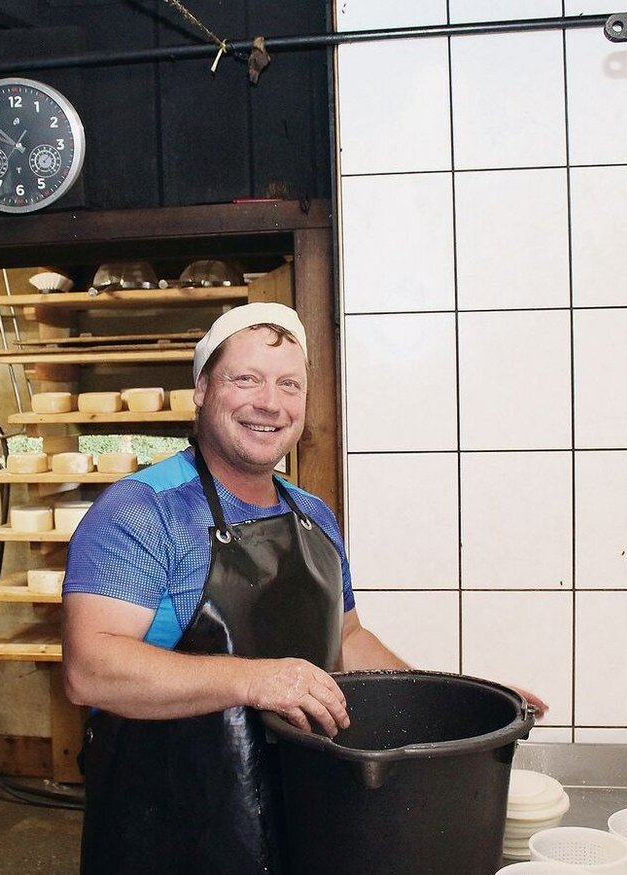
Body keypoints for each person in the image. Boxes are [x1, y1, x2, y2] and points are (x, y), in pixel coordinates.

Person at [62, 302, 544, 874]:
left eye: (289, 384)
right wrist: (255, 679)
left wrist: (452, 706)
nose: (270, 402)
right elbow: (90, 669)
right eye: (246, 379)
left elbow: (348, 638)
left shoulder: (313, 514)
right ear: (202, 389)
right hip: (169, 836)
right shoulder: (142, 511)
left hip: (305, 820)